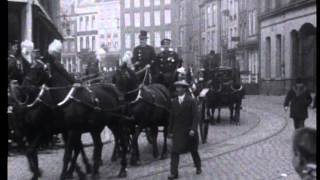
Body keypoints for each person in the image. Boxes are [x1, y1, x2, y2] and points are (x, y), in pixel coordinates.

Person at [168, 79, 202, 179]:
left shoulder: (191, 101)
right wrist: (170, 131)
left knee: (193, 150)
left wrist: (193, 129)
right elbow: (171, 118)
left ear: (184, 89)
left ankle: (198, 166)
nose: (177, 89)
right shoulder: (174, 102)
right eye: (176, 87)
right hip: (178, 131)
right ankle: (174, 173)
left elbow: (196, 117)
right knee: (174, 151)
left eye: (179, 87)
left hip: (189, 131)